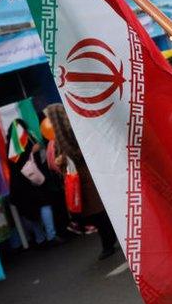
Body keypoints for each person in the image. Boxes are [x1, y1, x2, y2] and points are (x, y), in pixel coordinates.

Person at [43, 104, 120, 260]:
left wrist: (65, 158)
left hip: (86, 177)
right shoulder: (58, 138)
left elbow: (84, 151)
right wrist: (61, 161)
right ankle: (110, 238)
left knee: (97, 213)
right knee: (93, 214)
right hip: (76, 179)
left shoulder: (74, 131)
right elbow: (61, 158)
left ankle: (108, 243)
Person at [5, 119, 66, 248]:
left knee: (29, 212)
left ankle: (40, 238)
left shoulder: (9, 146)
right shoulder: (28, 141)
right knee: (44, 205)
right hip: (33, 181)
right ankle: (51, 235)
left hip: (18, 185)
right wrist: (32, 151)